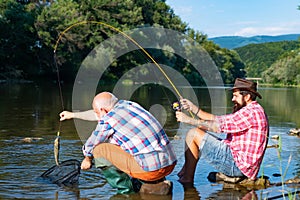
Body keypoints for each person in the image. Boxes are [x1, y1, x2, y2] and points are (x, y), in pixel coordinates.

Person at [59, 92, 177, 194]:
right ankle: (156, 183)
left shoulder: (108, 120)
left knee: (99, 150)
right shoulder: (129, 105)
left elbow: (92, 143)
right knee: (119, 143)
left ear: (103, 110)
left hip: (152, 170)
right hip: (169, 163)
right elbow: (99, 114)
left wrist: (87, 158)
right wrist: (72, 115)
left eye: (97, 111)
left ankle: (126, 191)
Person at [175, 78, 269, 183]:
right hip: (242, 166)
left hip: (238, 167)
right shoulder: (253, 109)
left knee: (193, 134)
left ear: (247, 97)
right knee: (199, 130)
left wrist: (188, 120)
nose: (233, 99)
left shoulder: (250, 112)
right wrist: (193, 108)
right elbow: (218, 119)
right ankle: (185, 172)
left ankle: (187, 179)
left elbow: (217, 126)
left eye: (236, 96)